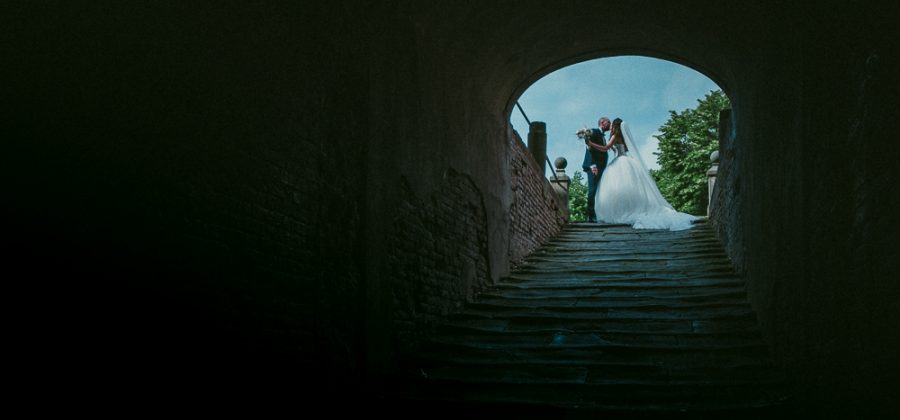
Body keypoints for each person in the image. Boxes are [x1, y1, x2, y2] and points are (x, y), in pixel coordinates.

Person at [594, 118, 697, 231]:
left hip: (619, 162)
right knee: (629, 189)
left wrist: (591, 143)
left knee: (618, 189)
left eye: (612, 124)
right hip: (626, 160)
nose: (610, 126)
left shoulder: (614, 136)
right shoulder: (622, 136)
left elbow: (606, 148)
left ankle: (622, 212)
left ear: (616, 126)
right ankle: (629, 210)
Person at [581, 117, 611, 222]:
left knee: (598, 190)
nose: (610, 124)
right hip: (594, 167)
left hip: (601, 167)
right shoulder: (594, 131)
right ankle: (591, 216)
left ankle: (597, 214)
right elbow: (588, 146)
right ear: (602, 123)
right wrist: (592, 165)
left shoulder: (602, 135)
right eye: (608, 122)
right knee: (592, 190)